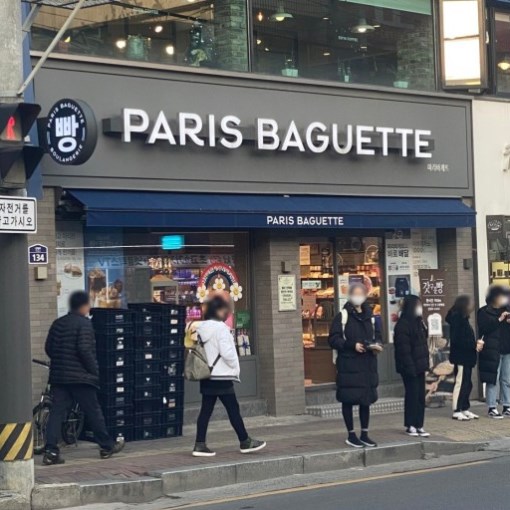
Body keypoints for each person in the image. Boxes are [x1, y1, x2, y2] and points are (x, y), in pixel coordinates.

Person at [43, 291, 125, 465]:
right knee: (93, 411)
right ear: (83, 306)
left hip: (59, 376)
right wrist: (94, 371)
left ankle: (51, 451)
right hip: (81, 377)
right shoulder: (84, 324)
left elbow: (48, 348)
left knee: (56, 413)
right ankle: (106, 446)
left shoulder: (58, 323)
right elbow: (85, 350)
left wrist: (61, 362)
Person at [193, 295, 266, 457]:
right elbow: (227, 353)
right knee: (233, 409)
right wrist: (234, 364)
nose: (226, 313)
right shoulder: (221, 329)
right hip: (221, 376)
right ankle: (245, 441)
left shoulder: (202, 328)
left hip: (207, 375)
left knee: (205, 411)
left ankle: (199, 444)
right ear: (218, 310)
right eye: (224, 309)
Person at [328, 283, 382, 448]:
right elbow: (333, 339)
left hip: (367, 364)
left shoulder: (371, 317)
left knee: (366, 399)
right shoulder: (342, 316)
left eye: (361, 293)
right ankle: (351, 435)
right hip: (349, 365)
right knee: (348, 399)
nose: (358, 297)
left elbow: (378, 336)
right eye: (355, 293)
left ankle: (364, 434)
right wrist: (352, 345)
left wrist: (376, 346)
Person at [394, 295, 430, 437]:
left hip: (420, 365)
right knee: (412, 395)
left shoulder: (419, 323)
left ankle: (419, 424)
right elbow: (403, 349)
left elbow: (423, 342)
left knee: (420, 396)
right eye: (417, 305)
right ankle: (410, 425)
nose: (420, 308)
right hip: (409, 366)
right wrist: (410, 367)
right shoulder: (402, 325)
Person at [446, 295, 480, 421]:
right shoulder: (457, 319)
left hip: (467, 356)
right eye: (470, 303)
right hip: (461, 357)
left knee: (467, 383)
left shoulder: (463, 319)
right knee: (460, 383)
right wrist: (474, 345)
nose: (472, 306)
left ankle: (464, 407)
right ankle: (457, 409)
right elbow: (458, 340)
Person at [478, 285, 509, 419]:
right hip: (492, 350)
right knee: (493, 379)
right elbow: (484, 328)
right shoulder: (484, 311)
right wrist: (499, 320)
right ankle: (492, 407)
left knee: (506, 379)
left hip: (507, 349)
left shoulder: (507, 310)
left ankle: (507, 405)